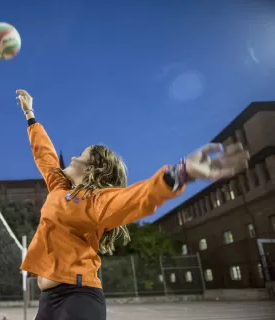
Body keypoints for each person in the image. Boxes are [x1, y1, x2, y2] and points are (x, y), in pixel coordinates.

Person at [15, 89, 249, 320]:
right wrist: (30, 114)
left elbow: (135, 199)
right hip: (48, 300)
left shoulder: (96, 201)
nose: (73, 157)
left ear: (91, 171)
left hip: (77, 299)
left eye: (80, 155)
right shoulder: (59, 189)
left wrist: (180, 173)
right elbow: (46, 156)